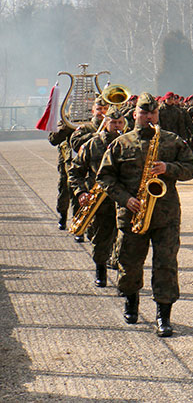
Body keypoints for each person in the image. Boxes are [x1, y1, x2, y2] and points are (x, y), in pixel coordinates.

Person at [97, 93, 193, 336]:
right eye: (144, 113)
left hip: (166, 216)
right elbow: (104, 177)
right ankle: (131, 302)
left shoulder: (172, 141)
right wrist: (126, 199)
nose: (148, 117)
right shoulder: (121, 143)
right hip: (132, 215)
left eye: (152, 113)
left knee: (166, 266)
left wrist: (168, 168)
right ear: (135, 114)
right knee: (130, 264)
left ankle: (163, 316)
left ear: (158, 114)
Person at [68, 110, 126, 287]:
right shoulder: (92, 144)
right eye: (113, 123)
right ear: (106, 123)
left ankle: (124, 278)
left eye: (120, 123)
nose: (117, 127)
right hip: (101, 200)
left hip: (124, 199)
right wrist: (80, 192)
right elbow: (75, 171)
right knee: (101, 238)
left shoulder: (128, 143)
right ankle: (100, 270)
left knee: (125, 240)